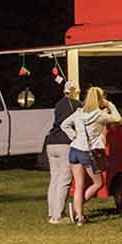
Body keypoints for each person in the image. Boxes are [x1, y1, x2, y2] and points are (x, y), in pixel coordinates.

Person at [61, 85, 118, 226]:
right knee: (98, 183)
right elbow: (117, 118)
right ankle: (78, 208)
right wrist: (109, 104)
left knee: (79, 185)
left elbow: (64, 125)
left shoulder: (78, 113)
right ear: (100, 99)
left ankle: (79, 216)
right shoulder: (99, 115)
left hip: (74, 150)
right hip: (87, 152)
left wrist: (73, 136)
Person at [45, 80, 79, 224]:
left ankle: (52, 213)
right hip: (64, 143)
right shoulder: (76, 105)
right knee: (64, 179)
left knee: (55, 178)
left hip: (51, 143)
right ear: (73, 91)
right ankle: (58, 215)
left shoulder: (58, 104)